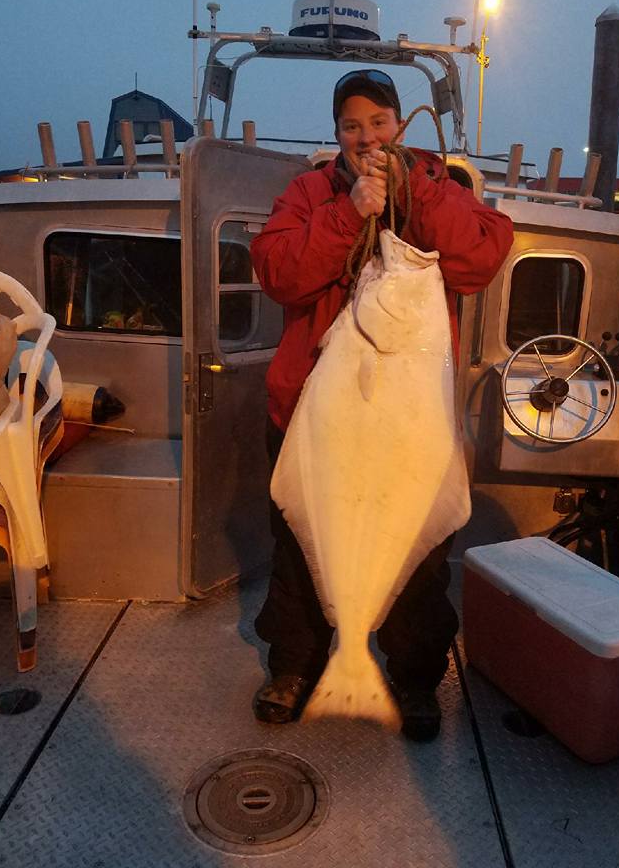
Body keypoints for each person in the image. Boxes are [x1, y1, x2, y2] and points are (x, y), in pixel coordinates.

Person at [250, 69, 514, 740]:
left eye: (377, 121)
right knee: (301, 555)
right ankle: (297, 666)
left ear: (398, 122)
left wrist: (413, 192)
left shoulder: (440, 187)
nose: (365, 136)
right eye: (350, 125)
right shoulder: (312, 192)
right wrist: (351, 213)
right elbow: (280, 272)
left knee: (418, 564)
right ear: (335, 133)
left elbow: (480, 258)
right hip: (318, 416)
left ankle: (414, 676)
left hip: (405, 420)